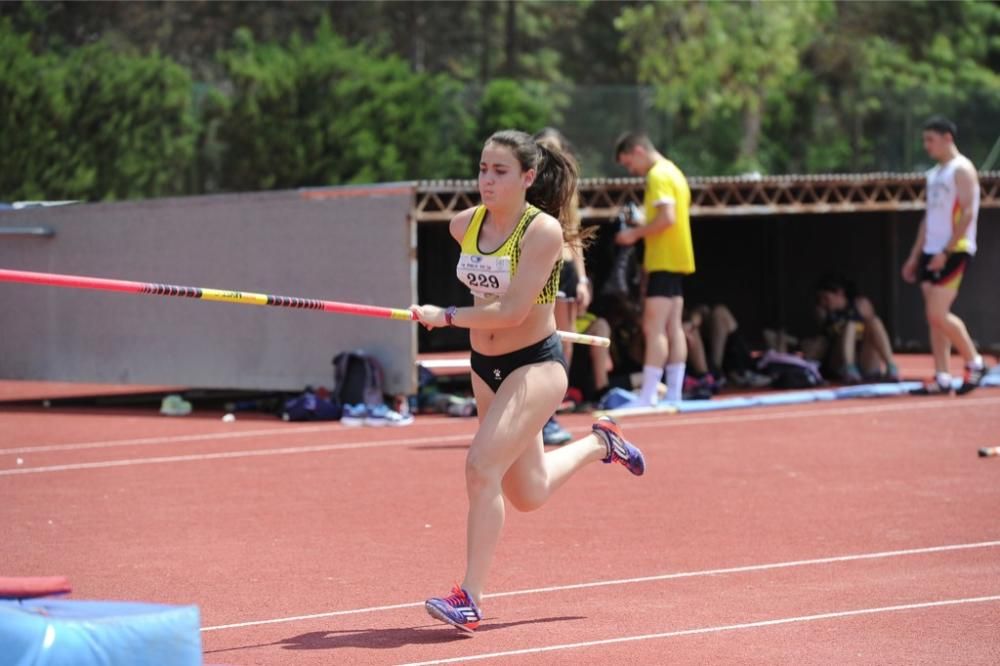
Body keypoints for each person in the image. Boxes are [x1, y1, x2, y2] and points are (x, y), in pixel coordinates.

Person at [410, 129, 646, 633]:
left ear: (528, 177)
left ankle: (469, 597)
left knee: (480, 468)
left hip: (535, 366)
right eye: (482, 170)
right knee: (529, 492)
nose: (487, 180)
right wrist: (442, 316)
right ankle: (600, 445)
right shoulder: (463, 225)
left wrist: (444, 316)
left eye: (500, 171)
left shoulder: (542, 233)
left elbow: (515, 312)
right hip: (485, 369)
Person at [901, 117, 986, 395]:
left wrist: (947, 250)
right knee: (934, 318)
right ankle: (942, 376)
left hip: (954, 249)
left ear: (947, 138)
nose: (927, 146)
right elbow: (928, 218)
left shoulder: (962, 170)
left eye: (931, 140)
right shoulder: (933, 174)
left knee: (937, 312)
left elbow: (970, 212)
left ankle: (974, 361)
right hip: (930, 250)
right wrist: (916, 256)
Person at [614, 132, 695, 405]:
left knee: (654, 326)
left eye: (629, 163)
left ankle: (649, 393)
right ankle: (673, 392)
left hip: (663, 259)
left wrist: (633, 234)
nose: (631, 170)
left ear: (638, 151)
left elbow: (667, 218)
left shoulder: (657, 175)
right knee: (673, 326)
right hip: (678, 258)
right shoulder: (675, 172)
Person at [535, 128, 591, 445]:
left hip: (566, 265)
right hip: (541, 263)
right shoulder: (528, 187)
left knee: (564, 343)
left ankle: (550, 413)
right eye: (544, 151)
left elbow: (575, 233)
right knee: (542, 339)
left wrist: (582, 278)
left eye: (554, 151)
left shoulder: (569, 186)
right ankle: (540, 417)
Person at [808, 274, 899, 382]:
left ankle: (891, 366)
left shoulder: (860, 304)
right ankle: (849, 368)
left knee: (874, 321)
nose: (823, 302)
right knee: (850, 325)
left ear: (839, 293)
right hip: (838, 361)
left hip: (864, 360)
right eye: (820, 298)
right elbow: (820, 343)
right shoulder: (822, 311)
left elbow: (873, 333)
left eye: (825, 298)